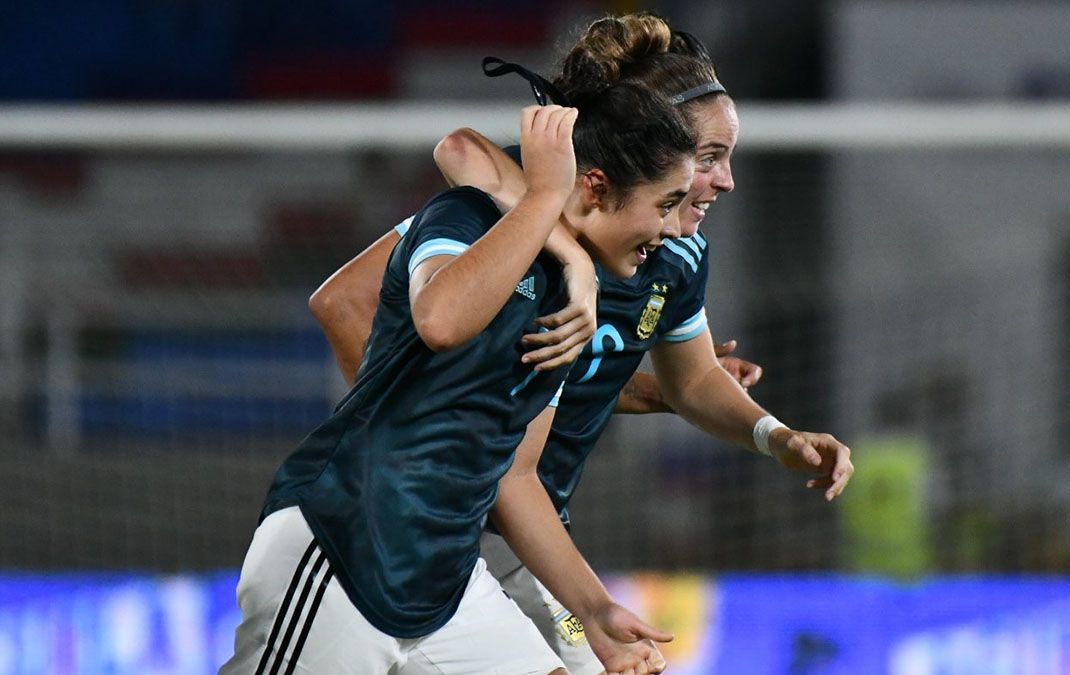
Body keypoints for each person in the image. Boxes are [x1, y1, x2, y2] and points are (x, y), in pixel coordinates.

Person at [310, 14, 854, 675]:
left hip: (518, 524)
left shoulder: (673, 256)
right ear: (644, 153)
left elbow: (688, 379)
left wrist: (774, 435)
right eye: (710, 158)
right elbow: (357, 296)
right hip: (451, 516)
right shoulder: (511, 217)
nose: (726, 180)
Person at [222, 79, 699, 674]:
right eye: (665, 203)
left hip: (445, 575)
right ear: (598, 188)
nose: (677, 229)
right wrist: (545, 196)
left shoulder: (572, 301)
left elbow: (517, 476)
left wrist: (596, 608)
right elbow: (440, 319)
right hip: (347, 544)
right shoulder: (465, 215)